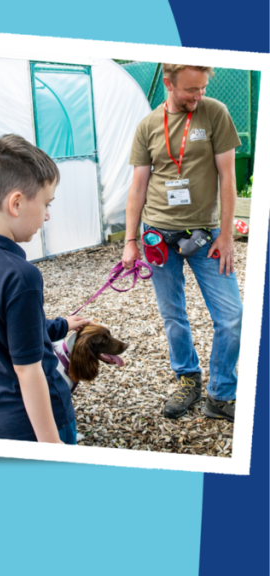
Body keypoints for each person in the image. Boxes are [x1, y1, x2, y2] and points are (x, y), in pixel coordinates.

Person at [0, 134, 89, 444]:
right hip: (36, 426)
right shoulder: (21, 275)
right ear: (16, 203)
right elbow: (29, 371)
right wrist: (52, 446)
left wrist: (62, 325)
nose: (48, 215)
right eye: (47, 204)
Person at [122, 64, 242, 422]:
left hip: (206, 236)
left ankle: (220, 394)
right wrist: (130, 240)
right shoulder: (147, 126)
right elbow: (138, 187)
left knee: (232, 317)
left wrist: (226, 234)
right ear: (169, 84)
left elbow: (227, 178)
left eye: (203, 88)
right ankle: (187, 378)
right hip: (158, 234)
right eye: (191, 89)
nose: (198, 95)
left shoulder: (215, 113)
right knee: (173, 314)